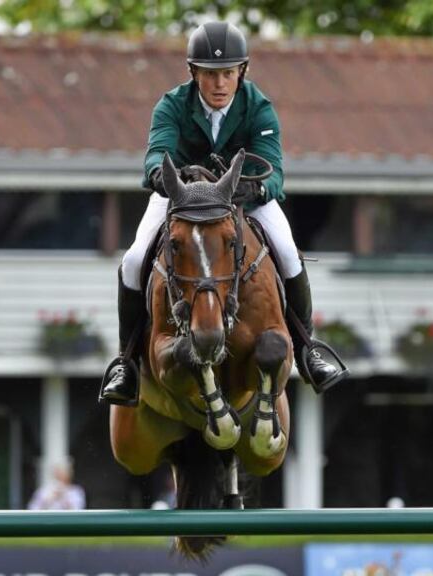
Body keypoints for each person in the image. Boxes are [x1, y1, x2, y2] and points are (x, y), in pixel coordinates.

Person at [99, 21, 346, 406]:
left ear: (241, 72)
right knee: (133, 260)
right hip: (183, 198)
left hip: (243, 199)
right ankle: (126, 363)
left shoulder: (258, 107)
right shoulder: (172, 105)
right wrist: (161, 177)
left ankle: (307, 350)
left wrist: (256, 188)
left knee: (287, 252)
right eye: (210, 74)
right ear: (194, 72)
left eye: (228, 74)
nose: (219, 84)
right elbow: (156, 153)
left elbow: (274, 171)